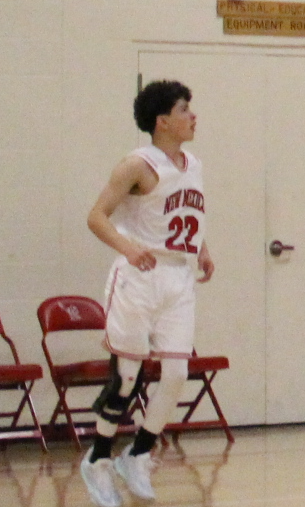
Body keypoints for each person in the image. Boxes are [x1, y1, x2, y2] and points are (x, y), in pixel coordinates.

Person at [78, 82, 221, 507]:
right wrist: (127, 246)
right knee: (126, 377)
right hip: (139, 275)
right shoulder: (136, 165)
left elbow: (187, 213)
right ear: (162, 120)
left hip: (179, 277)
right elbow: (96, 216)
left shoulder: (193, 163)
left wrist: (203, 251)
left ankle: (137, 453)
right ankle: (98, 459)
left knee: (176, 375)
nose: (193, 116)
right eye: (184, 109)